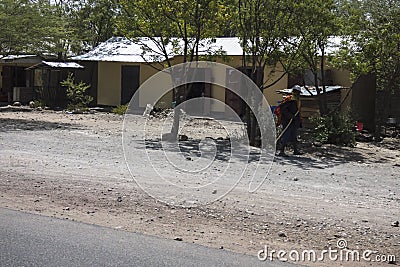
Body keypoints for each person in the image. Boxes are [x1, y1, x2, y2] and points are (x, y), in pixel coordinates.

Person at [277, 85, 302, 157]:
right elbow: (283, 109)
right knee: (286, 135)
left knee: (293, 136)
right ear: (294, 92)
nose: (298, 94)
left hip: (294, 121)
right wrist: (290, 116)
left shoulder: (297, 100)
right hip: (287, 120)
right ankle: (281, 151)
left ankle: (295, 150)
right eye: (297, 92)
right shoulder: (289, 99)